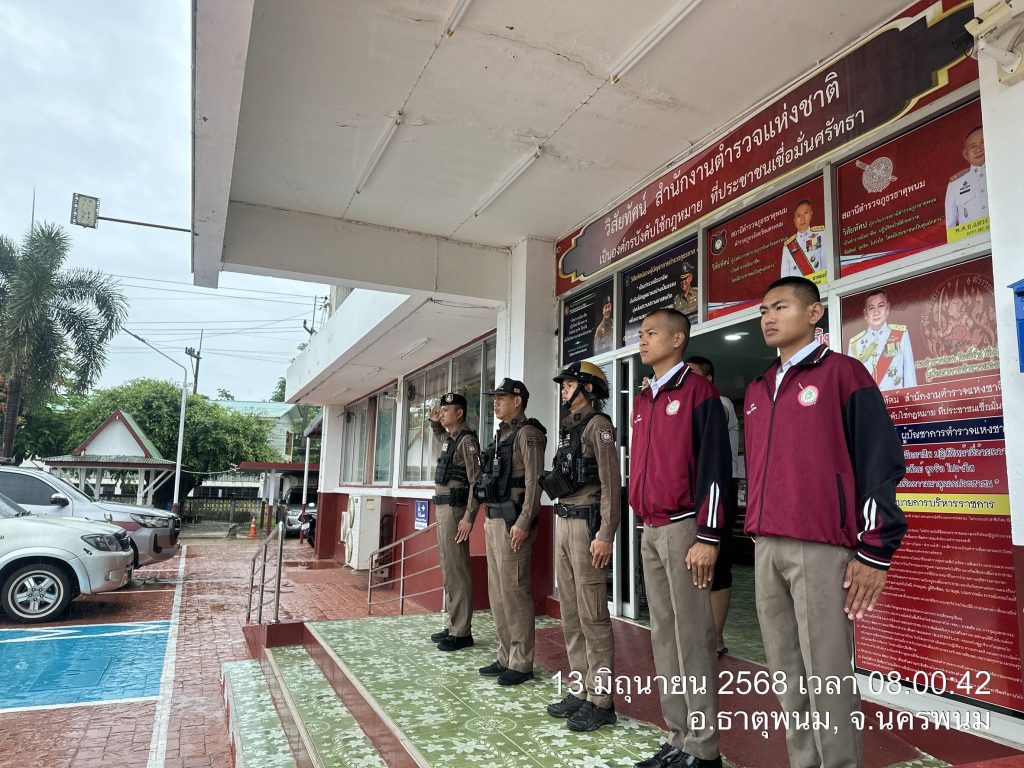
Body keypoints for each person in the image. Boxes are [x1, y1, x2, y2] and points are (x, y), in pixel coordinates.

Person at [745, 276, 907, 768]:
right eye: (763, 311)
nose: (769, 318)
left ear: (814, 314)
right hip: (766, 546)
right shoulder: (757, 389)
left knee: (827, 677)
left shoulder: (843, 374)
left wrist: (874, 551)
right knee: (785, 674)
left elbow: (879, 462)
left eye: (781, 307)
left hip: (819, 548)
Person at [629, 308, 731, 768]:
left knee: (692, 637)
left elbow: (715, 469)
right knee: (664, 636)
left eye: (651, 333)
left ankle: (704, 748)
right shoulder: (643, 397)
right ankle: (678, 736)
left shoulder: (698, 392)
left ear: (677, 339)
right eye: (641, 334)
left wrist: (708, 535)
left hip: (686, 527)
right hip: (650, 528)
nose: (642, 341)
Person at [540, 361, 621, 732]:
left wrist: (606, 533)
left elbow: (610, 484)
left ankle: (601, 700)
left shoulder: (598, 427)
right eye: (563, 384)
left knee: (593, 615)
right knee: (571, 613)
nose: (563, 389)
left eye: (569, 383)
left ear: (588, 388)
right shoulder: (570, 427)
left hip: (587, 526)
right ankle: (581, 688)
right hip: (563, 520)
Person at [475, 378, 547, 686]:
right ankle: (505, 655)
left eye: (501, 397)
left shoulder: (528, 434)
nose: (496, 402)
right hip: (493, 520)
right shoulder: (501, 434)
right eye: (495, 397)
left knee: (515, 594)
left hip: (513, 523)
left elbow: (534, 482)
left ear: (517, 401)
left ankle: (521, 662)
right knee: (498, 594)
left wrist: (524, 522)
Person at [684, 355, 739, 658]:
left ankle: (716, 638)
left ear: (708, 380)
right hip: (693, 492)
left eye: (691, 374)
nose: (685, 379)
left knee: (718, 566)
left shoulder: (721, 402)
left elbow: (715, 413)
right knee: (694, 567)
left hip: (721, 489)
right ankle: (696, 637)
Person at [427, 392, 481, 652]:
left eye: (446, 410)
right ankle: (452, 625)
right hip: (443, 508)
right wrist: (434, 422)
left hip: (455, 511)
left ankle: (461, 632)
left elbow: (476, 481)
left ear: (459, 413)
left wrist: (469, 517)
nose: (442, 413)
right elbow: (440, 435)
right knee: (448, 569)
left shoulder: (467, 441)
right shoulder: (451, 438)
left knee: (457, 570)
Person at [847, 288, 917, 391]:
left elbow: (909, 375)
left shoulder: (900, 335)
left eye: (880, 306)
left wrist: (911, 398)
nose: (876, 312)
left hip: (895, 399)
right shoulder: (855, 344)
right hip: (867, 400)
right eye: (871, 308)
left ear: (887, 308)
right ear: (865, 313)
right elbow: (852, 383)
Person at [944, 125, 987, 231]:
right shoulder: (955, 184)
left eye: (983, 142)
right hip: (973, 240)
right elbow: (951, 226)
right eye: (973, 146)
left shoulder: (1003, 170)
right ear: (966, 154)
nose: (979, 149)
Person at [780, 199, 826, 278]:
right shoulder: (788, 247)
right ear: (795, 220)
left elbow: (827, 265)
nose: (802, 218)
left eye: (806, 213)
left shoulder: (821, 234)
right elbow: (785, 278)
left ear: (811, 214)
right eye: (798, 215)